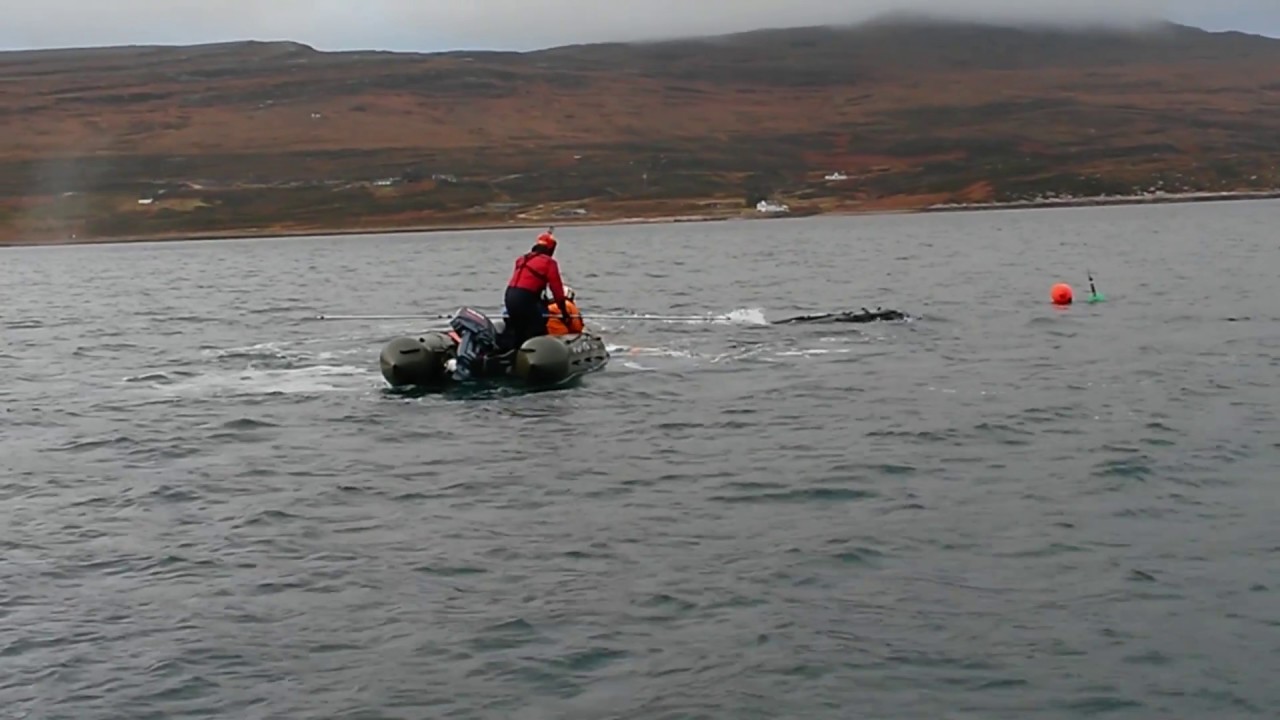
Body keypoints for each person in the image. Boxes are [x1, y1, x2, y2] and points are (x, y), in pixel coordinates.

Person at [503, 228, 570, 349]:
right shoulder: (549, 263)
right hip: (525, 298)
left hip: (509, 296)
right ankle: (538, 354)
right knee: (537, 327)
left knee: (517, 328)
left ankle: (511, 352)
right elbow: (557, 291)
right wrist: (564, 312)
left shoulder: (521, 259)